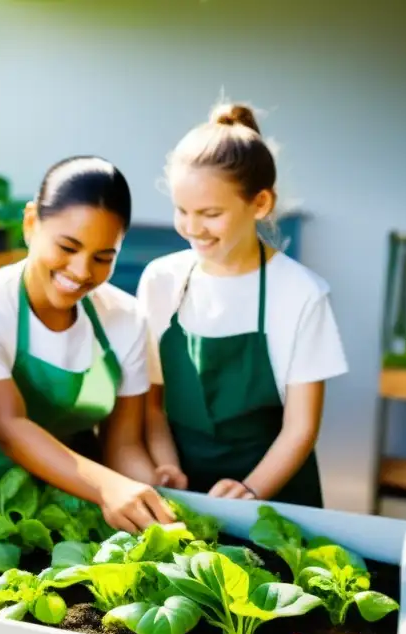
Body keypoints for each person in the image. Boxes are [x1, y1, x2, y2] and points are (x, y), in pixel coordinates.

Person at [0, 156, 174, 534]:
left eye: (103, 258)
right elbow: (10, 428)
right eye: (68, 247)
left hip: (81, 504)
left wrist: (153, 500)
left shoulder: (124, 318)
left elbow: (124, 445)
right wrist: (111, 488)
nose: (82, 271)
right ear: (32, 222)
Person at [138, 102, 347, 507]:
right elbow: (152, 402)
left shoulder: (302, 293)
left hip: (276, 498)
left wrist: (251, 491)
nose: (193, 228)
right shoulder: (161, 281)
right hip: (183, 493)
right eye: (182, 211)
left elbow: (301, 428)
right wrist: (165, 467)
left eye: (211, 213)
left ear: (261, 203)